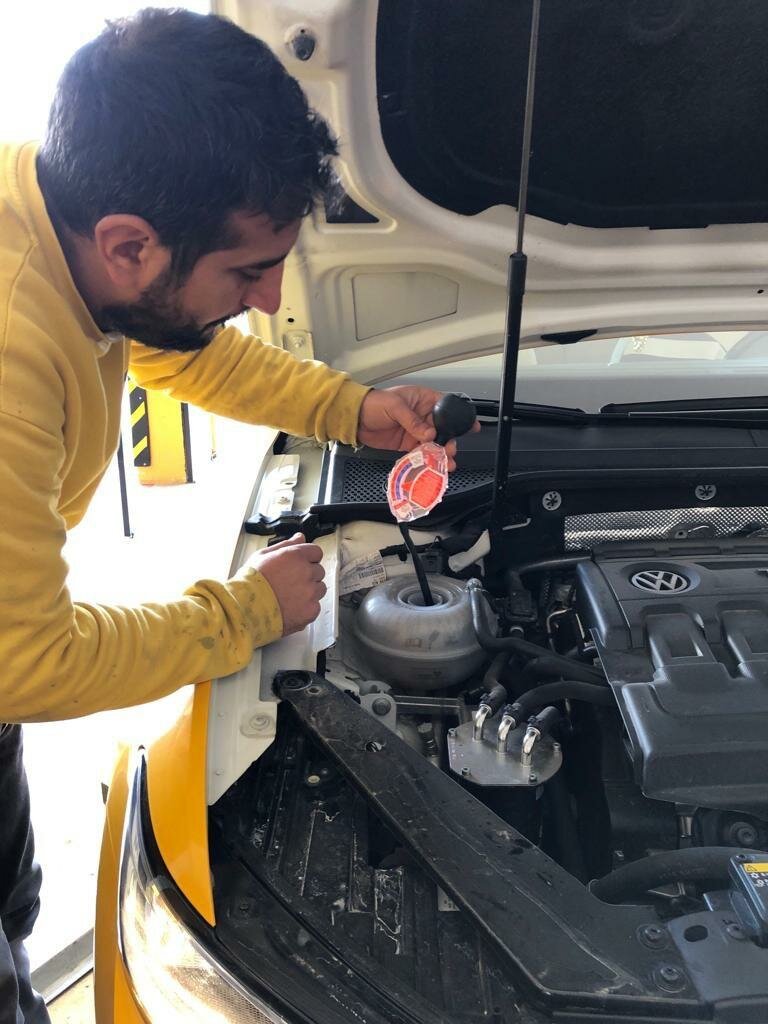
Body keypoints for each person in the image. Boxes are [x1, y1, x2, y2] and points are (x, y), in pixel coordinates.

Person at [0, 9, 475, 1022]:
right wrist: (246, 612)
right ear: (130, 244)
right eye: (248, 271)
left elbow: (183, 345)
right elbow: (23, 662)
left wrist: (351, 410)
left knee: (11, 899)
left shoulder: (65, 211)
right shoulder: (10, 352)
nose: (266, 300)